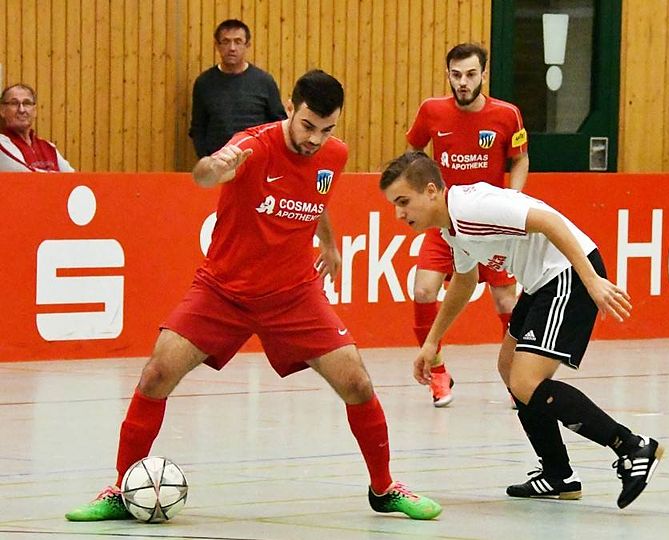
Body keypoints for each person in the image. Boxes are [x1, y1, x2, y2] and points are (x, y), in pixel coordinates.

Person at [64, 70, 441, 522]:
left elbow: (315, 197)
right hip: (223, 291)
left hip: (294, 295)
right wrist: (215, 166)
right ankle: (120, 490)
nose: (315, 139)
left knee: (357, 383)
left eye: (327, 129)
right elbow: (204, 175)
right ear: (289, 108)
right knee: (156, 374)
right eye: (308, 126)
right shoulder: (252, 146)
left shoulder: (334, 155)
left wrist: (329, 243)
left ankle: (384, 489)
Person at [380, 150, 663, 509]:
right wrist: (432, 342)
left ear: (431, 191)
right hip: (540, 281)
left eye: (403, 202)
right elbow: (465, 281)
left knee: (526, 381)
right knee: (508, 367)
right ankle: (558, 474)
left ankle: (632, 446)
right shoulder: (453, 228)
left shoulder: (473, 207)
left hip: (567, 272)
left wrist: (591, 280)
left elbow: (549, 221)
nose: (399, 214)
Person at [405, 42, 530, 407]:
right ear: (448, 75)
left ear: (484, 75)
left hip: (491, 226)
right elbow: (413, 153)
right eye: (456, 75)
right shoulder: (431, 110)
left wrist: (512, 199)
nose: (463, 82)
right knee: (423, 291)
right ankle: (438, 372)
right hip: (446, 223)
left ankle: (516, 377)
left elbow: (520, 159)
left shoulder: (507, 115)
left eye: (471, 74)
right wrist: (422, 192)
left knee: (505, 299)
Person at [189, 19, 287, 158]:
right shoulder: (204, 83)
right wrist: (206, 159)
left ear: (247, 45)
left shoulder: (264, 81)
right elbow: (198, 128)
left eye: (238, 41)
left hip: (257, 159)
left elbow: (278, 124)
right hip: (218, 161)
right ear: (217, 45)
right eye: (226, 41)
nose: (232, 48)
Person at [0, 84, 74, 172]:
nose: (21, 110)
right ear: (2, 110)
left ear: (34, 110)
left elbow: (72, 177)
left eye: (27, 103)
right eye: (14, 103)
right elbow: (25, 174)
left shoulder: (49, 147)